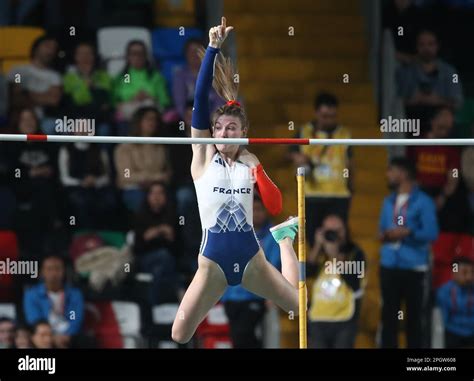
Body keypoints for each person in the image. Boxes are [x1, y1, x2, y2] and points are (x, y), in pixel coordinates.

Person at [171, 17, 300, 344]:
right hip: (212, 264)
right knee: (180, 334)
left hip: (251, 258)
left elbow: (274, 205)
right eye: (220, 128)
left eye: (232, 128)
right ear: (212, 133)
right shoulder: (202, 159)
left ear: (243, 133)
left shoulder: (249, 162)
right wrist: (213, 48)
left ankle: (285, 239)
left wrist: (256, 167)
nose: (224, 133)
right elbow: (200, 102)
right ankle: (205, 311)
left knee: (299, 308)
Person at [379, 157, 439, 348]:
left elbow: (432, 232)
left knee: (414, 320)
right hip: (389, 265)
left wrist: (408, 232)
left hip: (414, 268)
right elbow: (381, 231)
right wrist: (387, 235)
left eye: (391, 170)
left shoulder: (424, 202)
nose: (387, 175)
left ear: (403, 173)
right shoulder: (388, 201)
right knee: (389, 318)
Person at [221, 196, 282, 348]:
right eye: (252, 210)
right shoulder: (234, 232)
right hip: (231, 296)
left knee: (244, 335)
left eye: (259, 209)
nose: (256, 213)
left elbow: (274, 266)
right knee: (237, 338)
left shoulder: (272, 235)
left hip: (255, 296)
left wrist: (271, 295)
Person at [307, 214, 366, 348]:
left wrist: (334, 255)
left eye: (338, 230)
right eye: (329, 231)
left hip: (344, 319)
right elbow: (306, 273)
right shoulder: (319, 253)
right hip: (318, 318)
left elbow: (354, 281)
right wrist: (317, 245)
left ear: (345, 230)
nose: (334, 235)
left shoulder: (355, 252)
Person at [23, 255, 84, 349]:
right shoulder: (32, 294)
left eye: (57, 268)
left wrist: (67, 334)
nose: (54, 273)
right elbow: (35, 319)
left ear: (63, 271)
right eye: (49, 269)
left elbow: (74, 316)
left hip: (68, 336)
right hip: (45, 334)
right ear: (42, 272)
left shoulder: (73, 294)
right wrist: (52, 336)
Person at [436, 257, 474, 348]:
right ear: (454, 273)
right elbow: (442, 320)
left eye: (472, 272)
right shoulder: (444, 292)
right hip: (452, 333)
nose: (469, 277)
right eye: (464, 272)